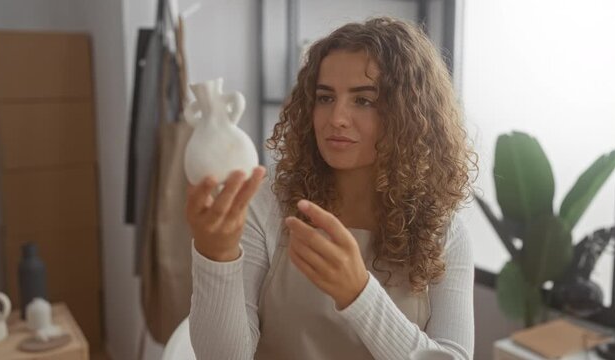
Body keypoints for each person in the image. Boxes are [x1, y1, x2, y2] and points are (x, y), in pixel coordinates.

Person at [186, 16, 477, 360]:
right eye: (325, 98)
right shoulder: (267, 205)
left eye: (363, 100)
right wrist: (215, 256)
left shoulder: (445, 230)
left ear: (408, 114)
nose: (336, 117)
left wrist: (359, 294)